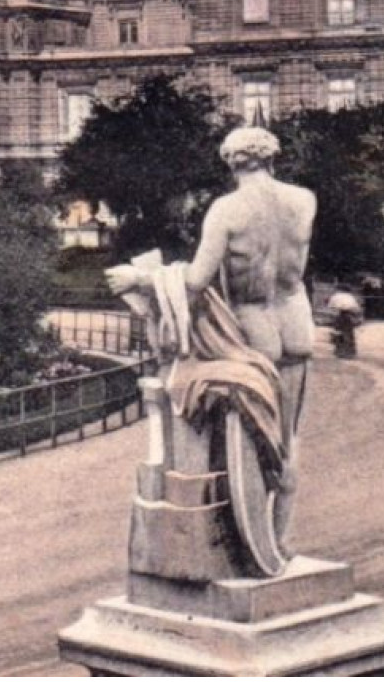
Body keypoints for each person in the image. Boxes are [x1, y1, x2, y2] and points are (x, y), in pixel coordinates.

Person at [106, 125, 316, 563]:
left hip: (253, 326)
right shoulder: (304, 200)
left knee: (258, 441)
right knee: (289, 440)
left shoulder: (227, 209)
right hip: (297, 323)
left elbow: (197, 280)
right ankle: (280, 543)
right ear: (271, 157)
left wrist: (141, 278)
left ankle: (252, 550)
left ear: (230, 161)